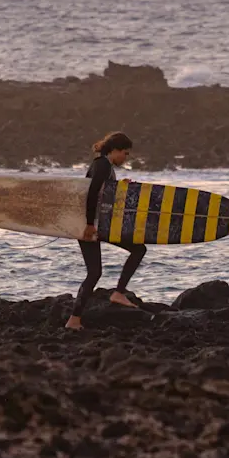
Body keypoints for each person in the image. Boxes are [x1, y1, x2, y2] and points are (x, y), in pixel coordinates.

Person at [65, 131, 146, 330]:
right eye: (125, 154)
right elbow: (92, 194)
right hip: (90, 225)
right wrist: (90, 224)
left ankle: (114, 295)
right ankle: (75, 319)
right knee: (96, 272)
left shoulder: (104, 166)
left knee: (132, 252)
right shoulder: (101, 165)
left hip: (98, 225)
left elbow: (103, 193)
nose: (126, 158)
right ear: (115, 150)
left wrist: (119, 186)